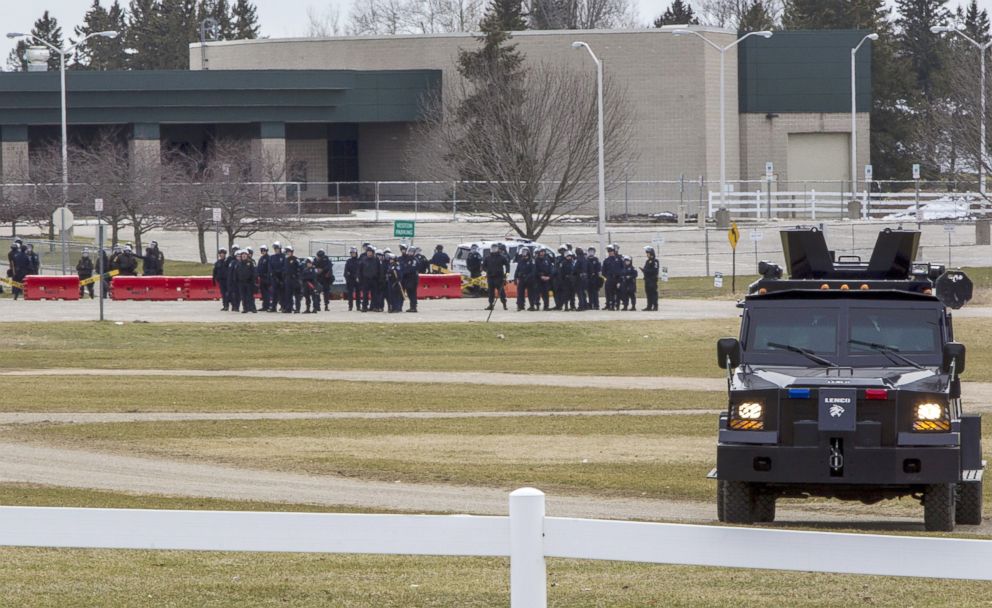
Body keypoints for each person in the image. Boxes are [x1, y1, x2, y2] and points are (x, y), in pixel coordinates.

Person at [483, 243, 508, 310]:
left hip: (499, 277)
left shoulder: (501, 257)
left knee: (501, 291)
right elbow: (483, 266)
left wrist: (507, 273)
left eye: (495, 248)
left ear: (497, 249)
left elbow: (507, 264)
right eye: (492, 248)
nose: (494, 250)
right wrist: (487, 271)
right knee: (491, 292)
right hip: (490, 277)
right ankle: (491, 304)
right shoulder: (487, 258)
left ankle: (504, 304)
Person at [359, 246, 380, 312]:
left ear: (373, 253)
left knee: (375, 294)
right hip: (365, 280)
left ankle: (375, 307)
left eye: (370, 252)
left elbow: (379, 270)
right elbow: (360, 270)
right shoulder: (363, 260)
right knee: (365, 294)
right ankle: (364, 307)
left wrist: (379, 279)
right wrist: (360, 278)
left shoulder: (376, 260)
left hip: (374, 279)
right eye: (368, 252)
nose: (369, 253)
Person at [513, 246, 534, 311]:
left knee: (531, 293)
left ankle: (532, 306)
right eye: (523, 255)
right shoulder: (520, 261)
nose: (524, 257)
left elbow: (533, 271)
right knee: (520, 293)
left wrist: (527, 277)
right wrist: (515, 278)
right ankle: (520, 305)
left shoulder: (532, 261)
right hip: (521, 279)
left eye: (525, 255)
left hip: (529, 280)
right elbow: (517, 270)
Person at [283, 245, 302, 313]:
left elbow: (300, 268)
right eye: (287, 251)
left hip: (295, 279)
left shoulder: (295, 259)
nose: (288, 253)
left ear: (292, 252)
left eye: (289, 251)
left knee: (297, 295)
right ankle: (289, 308)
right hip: (288, 279)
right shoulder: (286, 260)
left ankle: (297, 308)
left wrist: (298, 277)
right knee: (288, 294)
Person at [602, 244, 621, 311]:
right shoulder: (606, 260)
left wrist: (619, 279)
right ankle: (611, 306)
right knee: (610, 293)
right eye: (609, 252)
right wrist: (607, 276)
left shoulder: (618, 259)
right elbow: (603, 271)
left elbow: (621, 269)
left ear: (614, 251)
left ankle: (617, 305)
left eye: (611, 251)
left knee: (618, 293)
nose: (610, 253)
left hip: (617, 278)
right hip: (610, 278)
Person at [268, 242, 286, 312]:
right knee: (274, 293)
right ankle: (273, 307)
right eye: (275, 248)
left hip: (281, 278)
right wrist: (272, 273)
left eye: (277, 248)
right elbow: (270, 267)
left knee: (282, 293)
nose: (276, 250)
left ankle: (283, 306)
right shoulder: (272, 257)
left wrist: (279, 273)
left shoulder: (283, 257)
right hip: (274, 278)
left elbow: (284, 267)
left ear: (280, 249)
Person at [642, 245, 660, 311]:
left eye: (648, 253)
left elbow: (655, 270)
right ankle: (649, 306)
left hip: (652, 280)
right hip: (647, 279)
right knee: (648, 293)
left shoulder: (655, 261)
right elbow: (646, 269)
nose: (647, 254)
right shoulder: (647, 261)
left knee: (653, 293)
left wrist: (646, 271)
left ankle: (655, 306)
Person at [344, 246, 360, 311]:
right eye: (351, 253)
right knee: (350, 294)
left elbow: (360, 270)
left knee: (358, 293)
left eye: (353, 252)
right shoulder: (348, 261)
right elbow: (346, 271)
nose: (352, 254)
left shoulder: (359, 261)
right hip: (350, 280)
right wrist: (347, 277)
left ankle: (358, 306)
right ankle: (350, 306)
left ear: (356, 253)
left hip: (357, 279)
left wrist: (358, 277)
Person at [256, 245, 272, 312]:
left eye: (264, 250)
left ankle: (267, 306)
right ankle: (264, 306)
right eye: (262, 250)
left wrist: (268, 277)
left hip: (266, 278)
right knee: (263, 293)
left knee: (267, 293)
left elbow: (269, 269)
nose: (263, 252)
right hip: (261, 278)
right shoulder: (261, 258)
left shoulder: (268, 258)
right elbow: (259, 268)